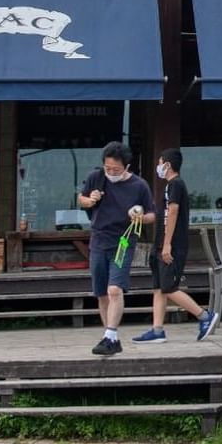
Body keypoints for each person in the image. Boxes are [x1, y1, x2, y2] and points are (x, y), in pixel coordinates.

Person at [133, 149, 219, 343]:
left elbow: (173, 212)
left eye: (160, 162)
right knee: (158, 287)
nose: (158, 167)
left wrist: (167, 245)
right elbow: (160, 215)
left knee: (169, 287)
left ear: (168, 165)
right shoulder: (168, 186)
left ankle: (205, 316)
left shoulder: (176, 184)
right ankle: (157, 330)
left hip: (171, 245)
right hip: (161, 243)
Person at [77, 140, 155, 356]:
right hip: (98, 240)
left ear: (127, 167)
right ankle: (110, 337)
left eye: (116, 169)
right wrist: (90, 200)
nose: (111, 172)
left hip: (123, 241)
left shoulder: (139, 185)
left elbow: (152, 215)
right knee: (101, 293)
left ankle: (110, 334)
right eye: (108, 168)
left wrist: (140, 215)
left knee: (115, 289)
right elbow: (80, 199)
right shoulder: (96, 177)